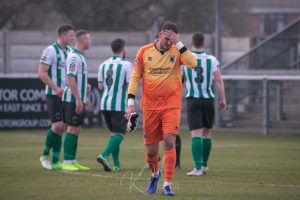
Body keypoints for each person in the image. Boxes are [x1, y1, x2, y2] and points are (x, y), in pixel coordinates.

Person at [125, 21, 197, 196]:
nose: (169, 40)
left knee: (169, 141)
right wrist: (130, 103)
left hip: (172, 105)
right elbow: (135, 77)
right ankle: (155, 174)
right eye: (167, 36)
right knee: (151, 152)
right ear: (160, 34)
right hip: (150, 107)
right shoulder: (144, 51)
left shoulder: (177, 51)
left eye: (172, 37)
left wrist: (179, 43)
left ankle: (167, 184)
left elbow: (193, 63)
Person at [181, 32, 226, 176]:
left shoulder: (184, 60)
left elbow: (179, 82)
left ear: (191, 43)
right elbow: (218, 80)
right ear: (204, 43)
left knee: (195, 135)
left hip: (193, 100)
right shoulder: (212, 60)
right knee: (207, 134)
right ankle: (204, 165)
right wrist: (223, 99)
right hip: (208, 100)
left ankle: (198, 168)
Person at [38, 24, 75, 170]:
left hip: (67, 95)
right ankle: (45, 155)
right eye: (70, 35)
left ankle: (55, 160)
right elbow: (42, 73)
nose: (72, 38)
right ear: (62, 35)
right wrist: (55, 87)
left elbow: (73, 73)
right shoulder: (50, 50)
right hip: (53, 94)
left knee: (63, 127)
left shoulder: (71, 51)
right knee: (57, 125)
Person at [96, 38, 132, 172]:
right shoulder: (126, 65)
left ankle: (116, 164)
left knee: (113, 134)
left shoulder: (103, 65)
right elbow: (130, 86)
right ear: (123, 49)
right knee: (121, 134)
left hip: (104, 104)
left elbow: (100, 86)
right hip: (118, 105)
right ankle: (104, 155)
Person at [61, 30, 91, 171]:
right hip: (72, 99)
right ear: (82, 40)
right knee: (71, 129)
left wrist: (85, 94)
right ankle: (67, 161)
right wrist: (78, 99)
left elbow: (78, 79)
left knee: (76, 129)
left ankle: (72, 160)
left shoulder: (80, 56)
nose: (90, 42)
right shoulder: (74, 57)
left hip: (78, 98)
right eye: (89, 39)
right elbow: (70, 78)